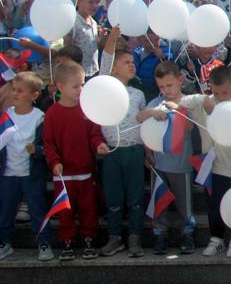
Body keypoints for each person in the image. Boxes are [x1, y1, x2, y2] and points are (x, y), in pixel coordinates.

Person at [176, 66, 231, 258]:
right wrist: (204, 99)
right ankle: (216, 239)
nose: (221, 96)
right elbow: (182, 100)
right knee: (214, 204)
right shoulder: (206, 103)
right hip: (211, 166)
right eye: (216, 92)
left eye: (225, 92)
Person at [42, 62, 109, 260]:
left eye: (82, 85)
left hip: (86, 172)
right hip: (63, 175)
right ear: (60, 87)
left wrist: (98, 145)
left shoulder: (86, 109)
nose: (80, 89)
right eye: (75, 86)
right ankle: (67, 240)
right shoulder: (53, 113)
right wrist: (54, 162)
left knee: (89, 208)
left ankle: (89, 238)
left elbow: (94, 134)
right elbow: (49, 142)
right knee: (65, 211)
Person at [98, 28, 148, 257]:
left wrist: (148, 150)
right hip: (111, 152)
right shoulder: (105, 86)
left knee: (136, 196)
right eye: (126, 62)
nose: (131, 65)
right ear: (114, 68)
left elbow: (145, 125)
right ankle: (115, 237)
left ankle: (135, 237)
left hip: (134, 150)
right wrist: (112, 38)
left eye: (132, 62)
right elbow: (106, 57)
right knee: (114, 196)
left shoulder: (138, 94)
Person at [138, 61, 196, 255]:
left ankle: (187, 232)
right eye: (161, 86)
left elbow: (190, 127)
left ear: (180, 81)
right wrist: (153, 112)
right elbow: (141, 119)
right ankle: (159, 233)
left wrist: (178, 111)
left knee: (183, 203)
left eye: (169, 85)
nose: (165, 90)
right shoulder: (156, 102)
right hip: (159, 164)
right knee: (159, 201)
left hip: (182, 164)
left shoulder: (187, 101)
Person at [0, 72, 51, 261]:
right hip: (8, 173)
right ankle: (4, 242)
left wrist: (36, 150)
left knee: (37, 209)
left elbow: (46, 146)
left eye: (20, 91)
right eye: (13, 90)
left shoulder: (40, 117)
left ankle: (43, 243)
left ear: (34, 95)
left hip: (31, 175)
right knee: (6, 210)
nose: (15, 94)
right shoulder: (5, 115)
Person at [66, 0, 102, 79]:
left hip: (93, 69)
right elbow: (68, 44)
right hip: (78, 71)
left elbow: (93, 44)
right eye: (91, 2)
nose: (95, 6)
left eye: (97, 2)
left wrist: (100, 37)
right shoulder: (74, 22)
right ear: (78, 1)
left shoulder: (93, 22)